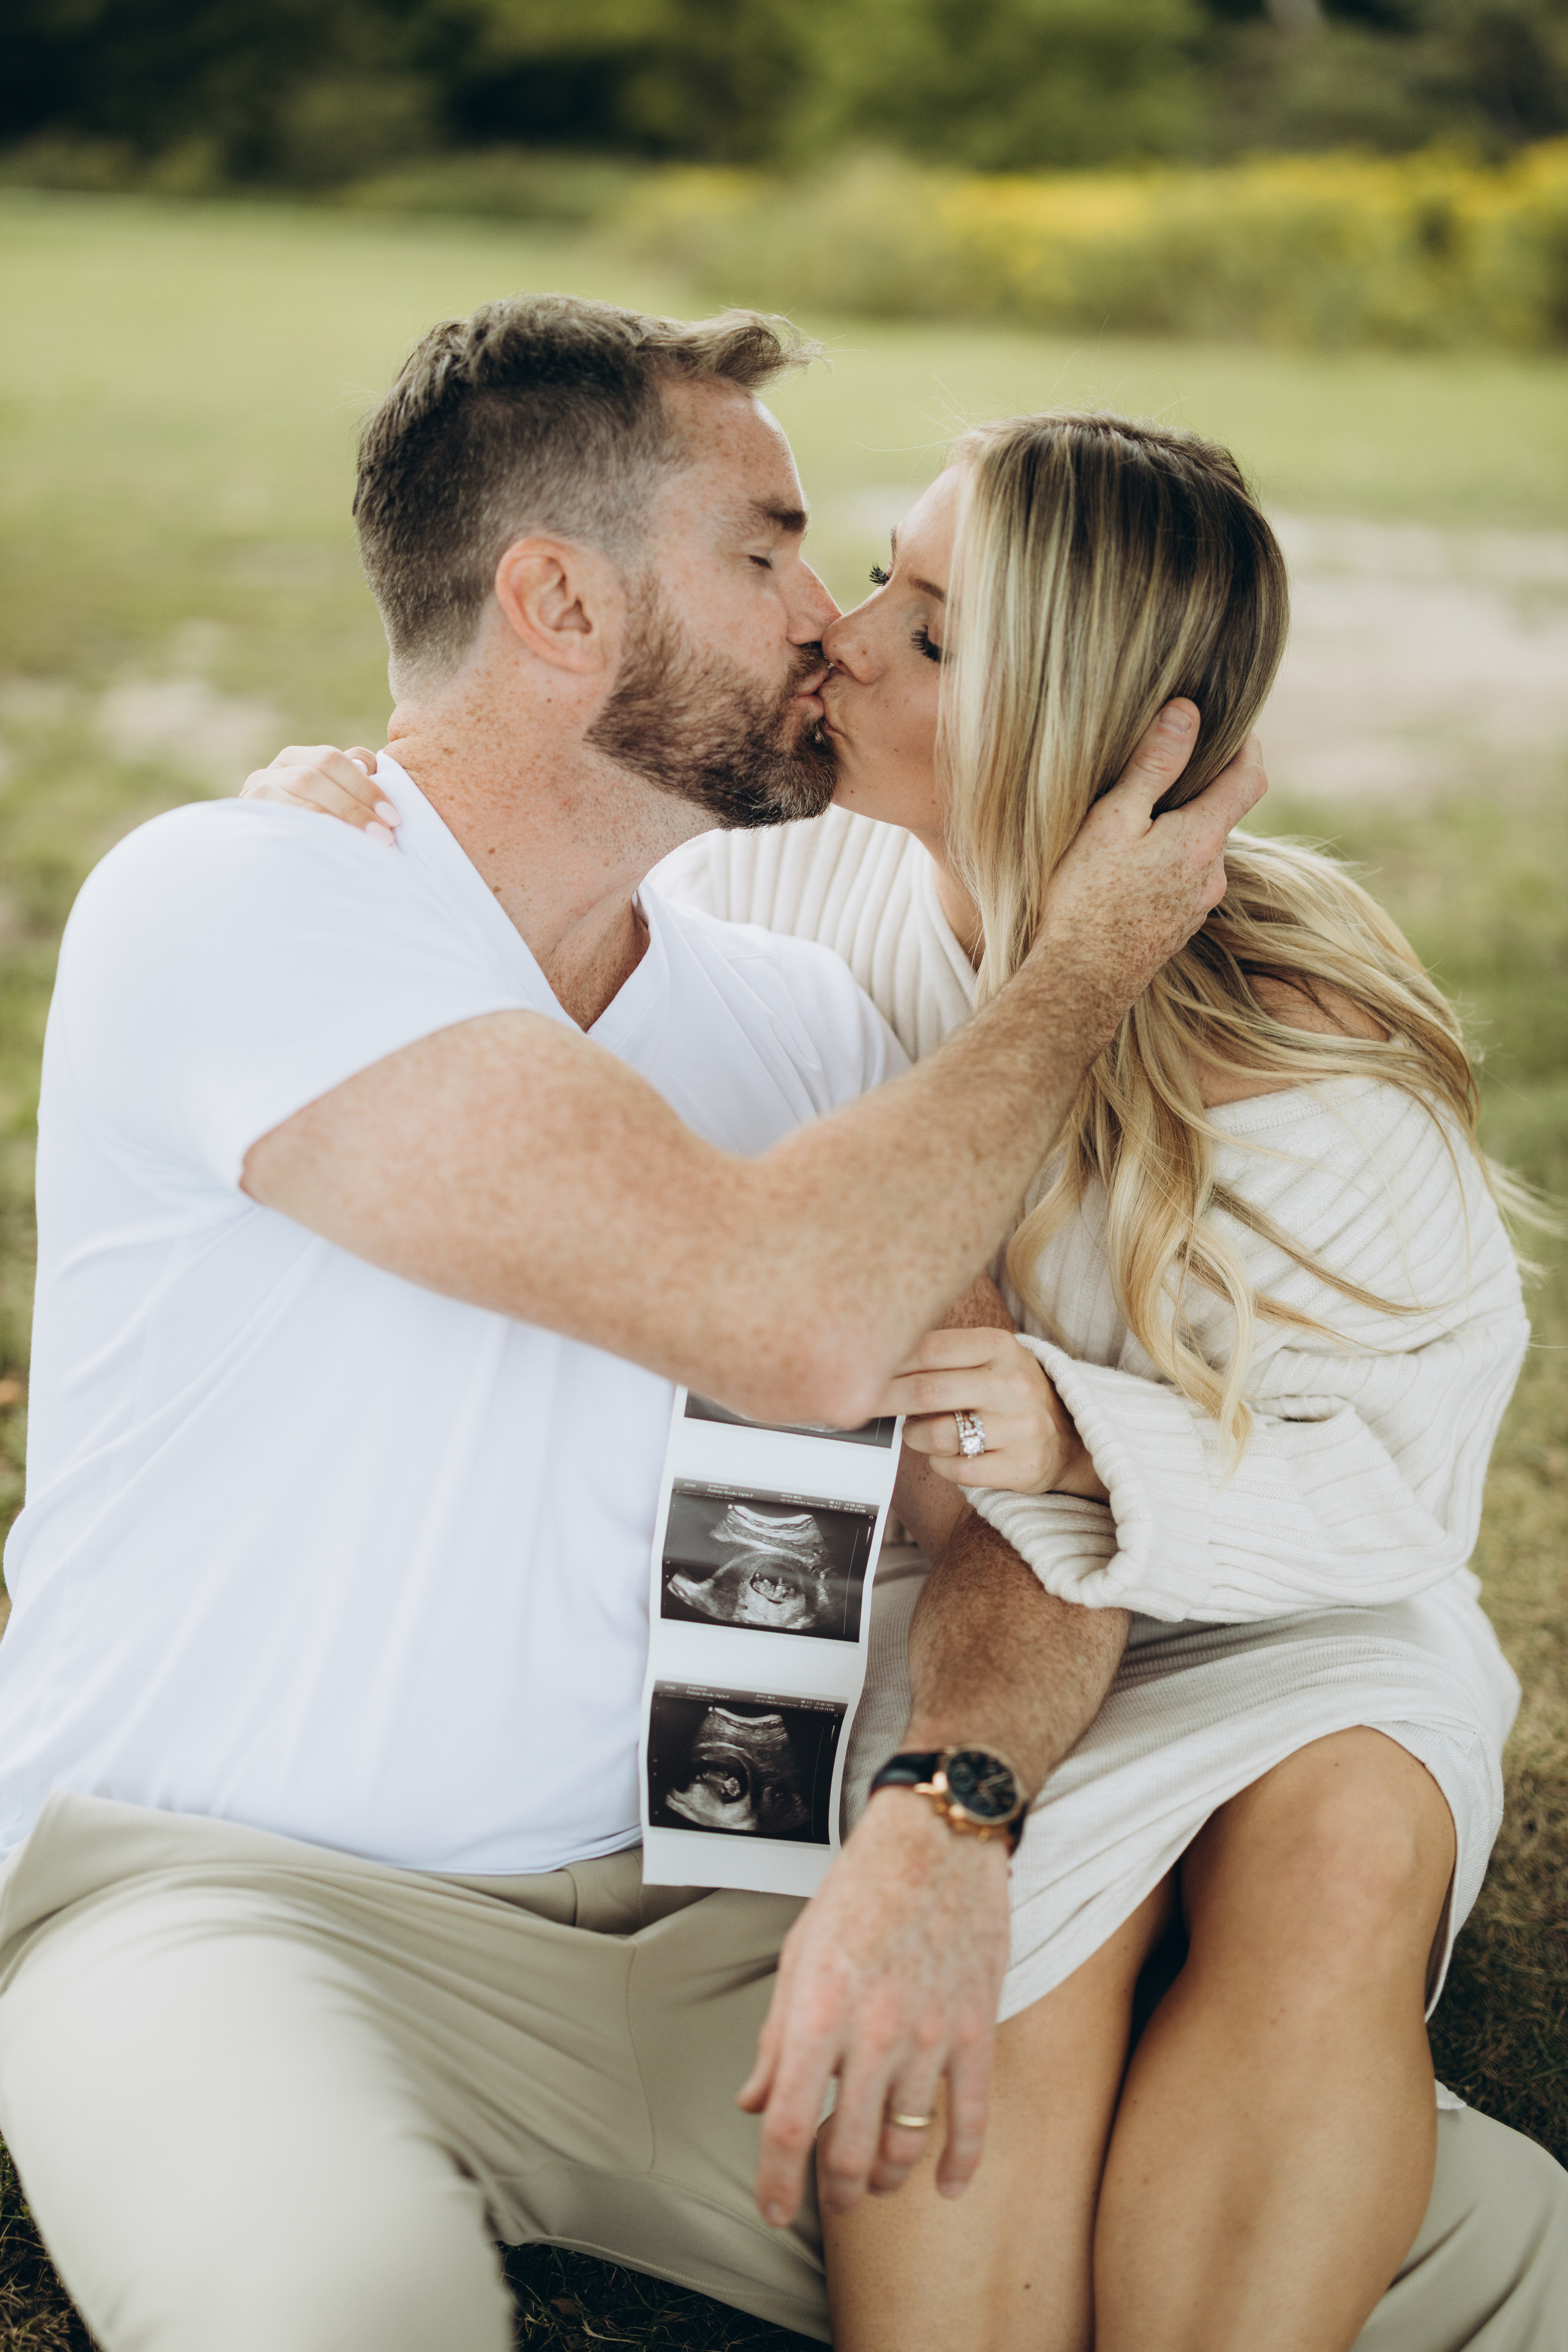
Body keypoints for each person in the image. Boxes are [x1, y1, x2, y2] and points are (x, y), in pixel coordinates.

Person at [0, 294, 1256, 2352]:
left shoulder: (799, 1017)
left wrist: (945, 1809)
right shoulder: (234, 899)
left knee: (1450, 2250)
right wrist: (1083, 970)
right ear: (560, 602)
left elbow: (1002, 1519)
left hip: (711, 1923)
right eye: (768, 551)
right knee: (341, 2313)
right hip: (224, 1912)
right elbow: (793, 1319)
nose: (829, 620)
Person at [264, 397, 1568, 2351]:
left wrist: (1091, 1438)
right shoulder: (783, 877)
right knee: (1018, 1920)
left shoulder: (1304, 1041)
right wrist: (350, 822)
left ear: (1077, 729)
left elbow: (1402, 1483)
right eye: (887, 575)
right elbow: (541, 941)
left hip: (1282, 1611)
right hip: (972, 1603)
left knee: (1342, 1856)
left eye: (935, 635)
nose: (847, 637)